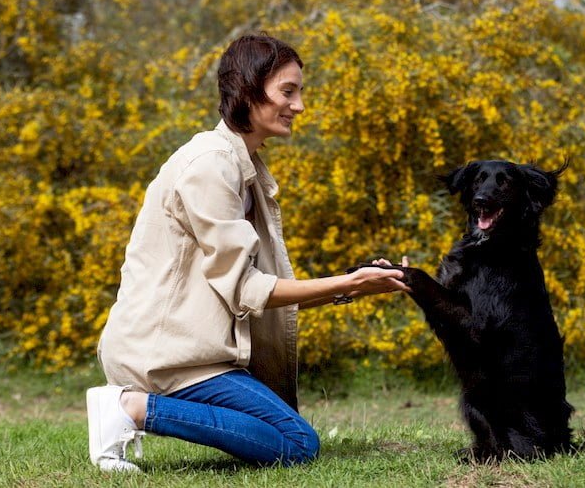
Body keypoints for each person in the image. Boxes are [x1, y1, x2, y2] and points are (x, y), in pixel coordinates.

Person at [87, 33, 408, 472]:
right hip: (165, 356)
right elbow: (246, 289)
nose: (299, 106)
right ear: (249, 88)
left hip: (199, 355)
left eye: (300, 92)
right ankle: (130, 409)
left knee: (291, 437)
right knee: (297, 443)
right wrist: (348, 283)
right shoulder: (210, 165)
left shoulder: (246, 167)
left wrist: (356, 287)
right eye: (287, 92)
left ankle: (133, 409)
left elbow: (257, 292)